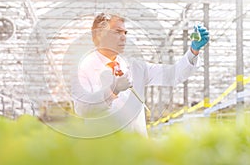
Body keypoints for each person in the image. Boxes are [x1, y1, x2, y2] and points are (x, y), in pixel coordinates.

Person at [71, 13, 209, 137]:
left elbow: (173, 75)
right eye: (117, 32)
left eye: (125, 32)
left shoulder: (136, 68)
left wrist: (193, 51)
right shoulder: (83, 69)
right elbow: (82, 109)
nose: (124, 37)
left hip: (137, 151)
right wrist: (112, 90)